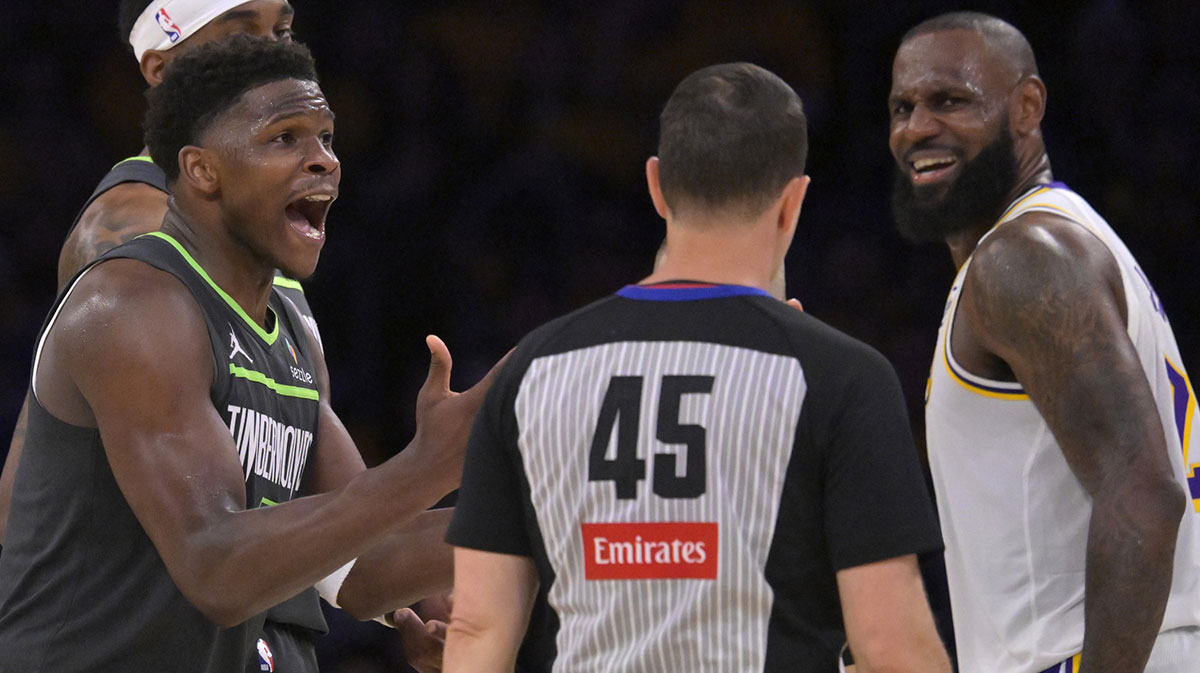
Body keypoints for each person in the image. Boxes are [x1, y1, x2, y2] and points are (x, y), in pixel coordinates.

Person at [442, 62, 951, 673]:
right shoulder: (842, 377)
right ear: (793, 201)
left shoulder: (532, 369)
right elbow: (891, 648)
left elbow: (475, 629)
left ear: (657, 186)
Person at [0, 36, 488, 672]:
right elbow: (216, 569)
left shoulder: (288, 328)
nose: (324, 162)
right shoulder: (132, 303)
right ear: (202, 170)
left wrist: (544, 511)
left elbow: (362, 563)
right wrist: (432, 464)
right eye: (285, 138)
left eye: (327, 138)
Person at [888, 11, 1200, 673]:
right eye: (903, 106)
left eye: (950, 100)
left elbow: (1146, 497)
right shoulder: (1061, 241)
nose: (916, 127)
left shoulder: (1023, 259)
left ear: (1028, 106)